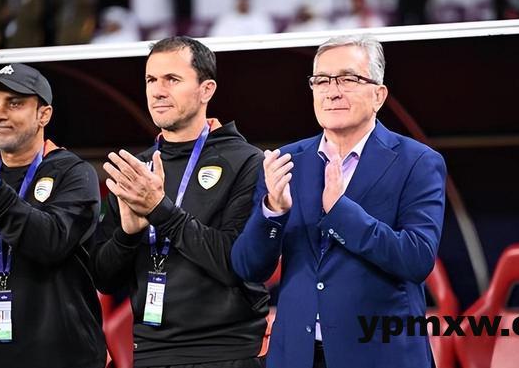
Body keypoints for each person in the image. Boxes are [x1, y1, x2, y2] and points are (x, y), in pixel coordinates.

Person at [231, 34, 447, 368]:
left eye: (348, 79)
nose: (332, 91)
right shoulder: (286, 162)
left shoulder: (417, 161)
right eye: (321, 80)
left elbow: (416, 259)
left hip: (380, 355)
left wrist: (341, 212)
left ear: (378, 95)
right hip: (297, 356)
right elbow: (248, 267)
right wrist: (272, 212)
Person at [93, 36, 268, 368]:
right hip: (150, 352)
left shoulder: (246, 161)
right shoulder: (136, 170)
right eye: (151, 80)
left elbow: (236, 264)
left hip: (226, 352)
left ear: (206, 90)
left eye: (172, 79)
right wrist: (127, 236)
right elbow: (105, 279)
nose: (158, 91)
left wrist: (160, 210)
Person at [0, 63, 106, 368]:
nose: (0, 114)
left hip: (62, 358)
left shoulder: (74, 173)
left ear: (44, 115)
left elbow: (49, 241)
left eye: (14, 103)